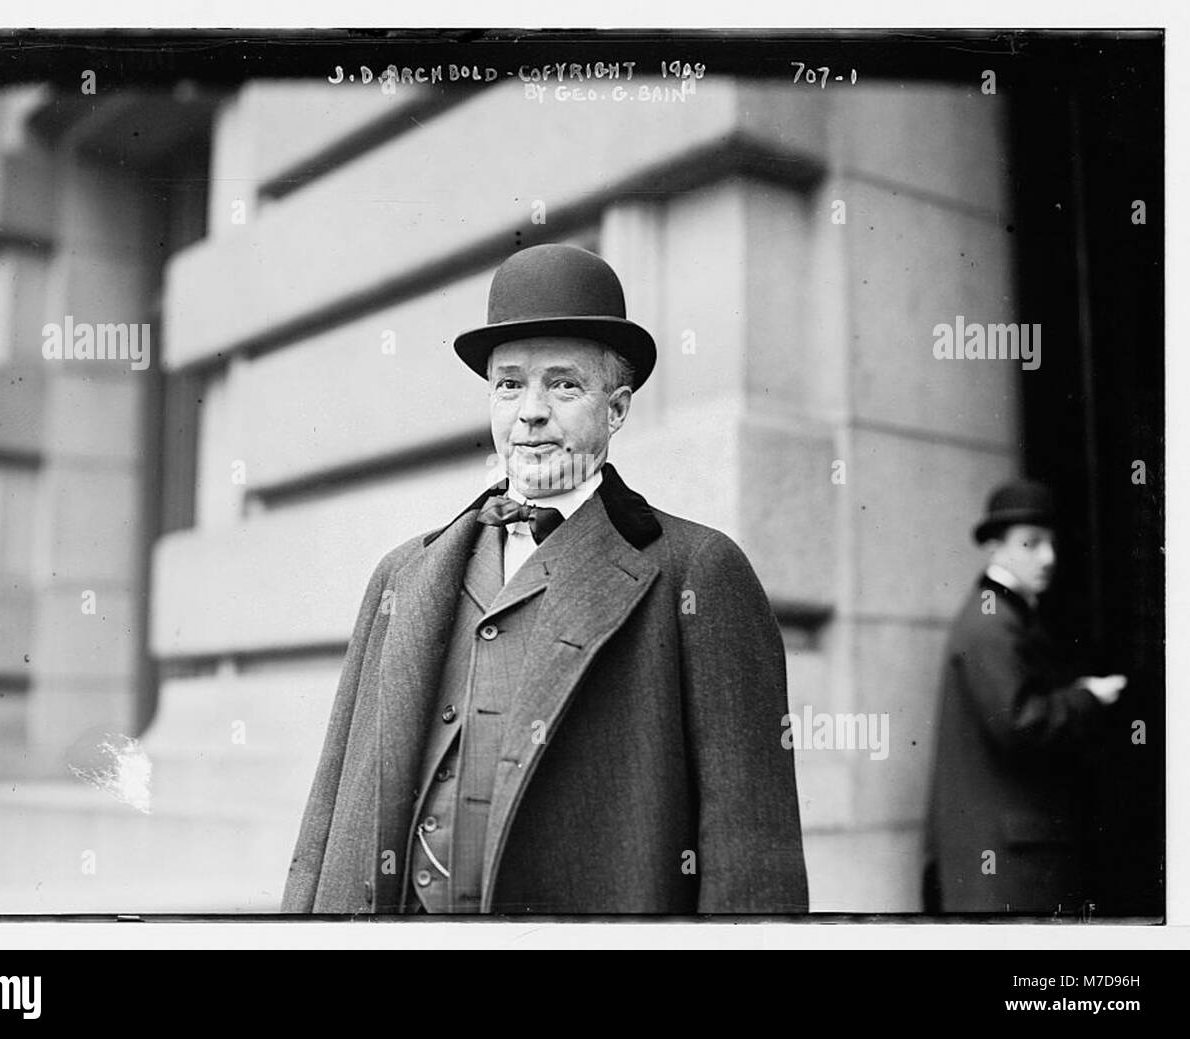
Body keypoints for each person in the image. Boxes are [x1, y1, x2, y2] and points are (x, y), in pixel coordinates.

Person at [281, 243, 808, 914]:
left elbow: (751, 860)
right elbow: (327, 818)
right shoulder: (402, 573)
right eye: (509, 384)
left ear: (615, 409)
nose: (530, 411)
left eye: (563, 384)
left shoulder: (697, 573)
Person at [923, 479, 1126, 914]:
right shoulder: (991, 622)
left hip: (1012, 861)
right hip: (1009, 867)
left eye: (1051, 544)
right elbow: (1020, 724)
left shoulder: (1002, 616)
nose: (1049, 558)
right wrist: (1088, 697)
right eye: (1031, 544)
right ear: (994, 549)